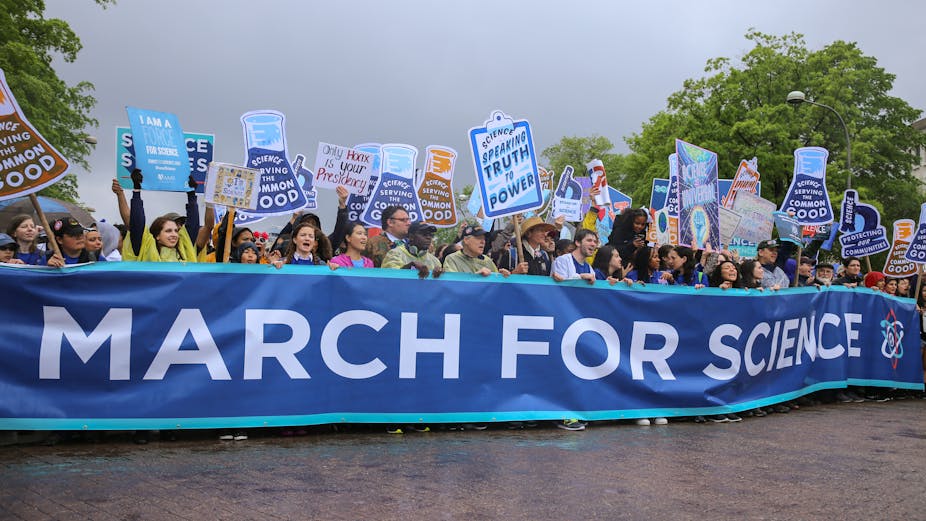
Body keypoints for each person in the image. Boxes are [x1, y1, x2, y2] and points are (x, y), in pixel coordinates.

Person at [114, 171, 213, 262]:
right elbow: (136, 223)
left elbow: (192, 225)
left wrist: (191, 194)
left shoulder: (184, 250)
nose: (174, 234)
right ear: (157, 235)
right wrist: (136, 191)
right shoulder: (145, 248)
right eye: (168, 231)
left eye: (176, 231)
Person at [443, 225, 511, 277]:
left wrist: (502, 277)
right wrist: (476, 277)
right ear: (466, 240)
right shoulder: (452, 259)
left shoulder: (488, 261)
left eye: (484, 239)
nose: (483, 242)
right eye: (479, 238)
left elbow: (495, 286)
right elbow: (451, 284)